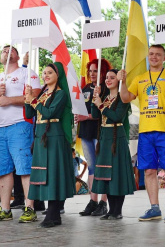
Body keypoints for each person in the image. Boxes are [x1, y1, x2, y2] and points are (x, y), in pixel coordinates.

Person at [118, 44, 165, 223]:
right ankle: (155, 208)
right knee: (148, 171)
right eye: (151, 54)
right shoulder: (140, 78)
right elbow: (125, 98)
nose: (154, 57)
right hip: (145, 132)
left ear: (164, 58)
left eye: (158, 55)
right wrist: (122, 81)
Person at [24, 62, 76, 228]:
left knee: (53, 174)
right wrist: (28, 99)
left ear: (57, 75)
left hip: (54, 138)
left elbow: (49, 113)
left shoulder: (61, 95)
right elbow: (30, 114)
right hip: (41, 137)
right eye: (44, 73)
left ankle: (53, 214)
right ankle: (52, 214)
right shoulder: (43, 93)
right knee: (43, 175)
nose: (45, 75)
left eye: (49, 73)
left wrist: (34, 101)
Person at [0, 45, 41, 223]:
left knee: (24, 167)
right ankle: (5, 209)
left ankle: (30, 207)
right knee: (3, 170)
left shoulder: (26, 73)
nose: (7, 52)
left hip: (20, 124)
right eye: (4, 50)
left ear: (17, 56)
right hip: (1, 128)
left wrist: (9, 100)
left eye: (12, 50)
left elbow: (36, 95)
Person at [91, 69, 136, 220]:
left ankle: (118, 210)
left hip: (117, 137)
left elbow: (117, 117)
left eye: (112, 77)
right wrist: (95, 99)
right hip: (104, 137)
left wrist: (101, 106)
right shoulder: (104, 97)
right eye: (107, 77)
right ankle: (110, 209)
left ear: (119, 80)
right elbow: (96, 115)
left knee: (117, 174)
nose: (108, 80)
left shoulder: (122, 98)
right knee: (106, 174)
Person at [76, 58, 111, 217]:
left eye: (95, 71)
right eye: (90, 70)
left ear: (103, 71)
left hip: (99, 132)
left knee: (101, 167)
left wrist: (87, 116)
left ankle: (104, 202)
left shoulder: (106, 88)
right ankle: (93, 200)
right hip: (85, 132)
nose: (91, 74)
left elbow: (104, 112)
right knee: (91, 167)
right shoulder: (84, 88)